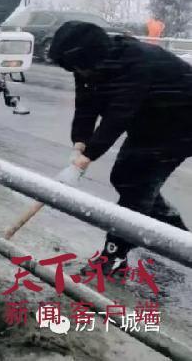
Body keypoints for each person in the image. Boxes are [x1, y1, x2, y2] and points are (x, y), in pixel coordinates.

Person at [49, 21, 192, 273]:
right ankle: (176, 236)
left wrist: (89, 157)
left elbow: (118, 115)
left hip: (182, 124)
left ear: (90, 57)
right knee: (125, 178)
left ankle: (114, 256)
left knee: (138, 185)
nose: (77, 73)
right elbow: (85, 106)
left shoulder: (136, 62)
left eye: (78, 68)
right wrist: (79, 143)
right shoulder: (90, 68)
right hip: (150, 123)